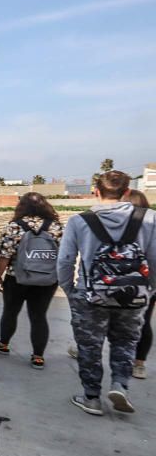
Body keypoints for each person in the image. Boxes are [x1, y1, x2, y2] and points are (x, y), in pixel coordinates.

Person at [59, 171, 156, 416]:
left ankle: (91, 397)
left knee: (89, 346)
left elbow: (66, 260)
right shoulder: (149, 219)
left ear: (96, 192)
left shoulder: (80, 221)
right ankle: (120, 386)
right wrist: (149, 289)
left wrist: (69, 288)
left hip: (90, 293)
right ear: (127, 192)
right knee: (125, 341)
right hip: (134, 293)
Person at [0, 193, 63, 369]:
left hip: (17, 278)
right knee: (39, 316)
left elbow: (5, 256)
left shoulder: (14, 226)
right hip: (46, 280)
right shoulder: (56, 227)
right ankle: (38, 357)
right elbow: (63, 255)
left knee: (10, 312)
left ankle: (3, 344)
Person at [124, 190, 154, 379]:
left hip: (117, 278)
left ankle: (86, 350)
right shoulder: (152, 222)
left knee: (103, 318)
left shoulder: (117, 221)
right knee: (144, 322)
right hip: (147, 280)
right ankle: (139, 365)